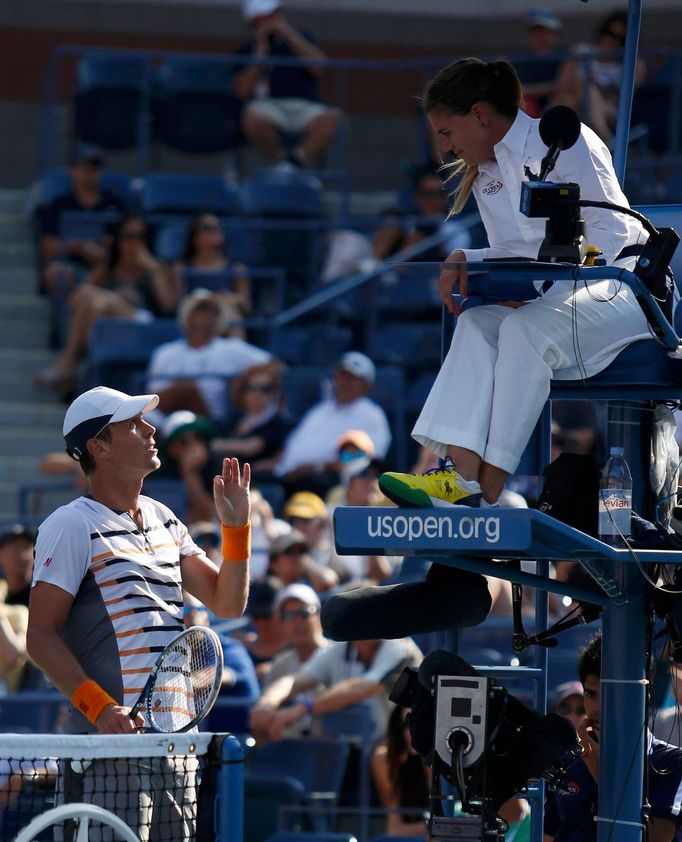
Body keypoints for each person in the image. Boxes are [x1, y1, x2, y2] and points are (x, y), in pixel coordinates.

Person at [378, 57, 651, 511]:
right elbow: (519, 252)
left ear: (481, 115)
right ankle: (458, 475)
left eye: (447, 133)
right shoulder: (485, 175)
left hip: (625, 294)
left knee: (525, 328)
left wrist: (557, 292)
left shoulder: (566, 141)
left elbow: (613, 234)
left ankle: (487, 490)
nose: (445, 150)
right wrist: (468, 256)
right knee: (478, 321)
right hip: (562, 307)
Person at [25, 386, 251, 837]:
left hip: (176, 741)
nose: (150, 430)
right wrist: (101, 709)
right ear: (98, 447)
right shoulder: (72, 524)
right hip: (107, 747)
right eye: (133, 424)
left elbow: (227, 601)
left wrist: (236, 528)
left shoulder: (166, 518)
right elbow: (40, 638)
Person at [544, 633, 682, 842]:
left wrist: (599, 771)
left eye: (613, 693)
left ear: (645, 695)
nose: (599, 707)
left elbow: (655, 838)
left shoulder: (671, 762)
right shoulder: (566, 761)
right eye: (591, 694)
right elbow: (548, 837)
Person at [37, 214, 178, 393]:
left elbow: (169, 304)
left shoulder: (156, 267)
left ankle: (68, 365)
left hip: (142, 327)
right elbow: (76, 299)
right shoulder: (110, 266)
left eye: (139, 237)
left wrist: (151, 268)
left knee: (99, 299)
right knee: (95, 304)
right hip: (109, 329)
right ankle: (77, 370)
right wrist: (106, 300)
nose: (133, 243)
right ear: (118, 239)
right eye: (128, 236)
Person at [232, 0, 340, 168]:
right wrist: (261, 54)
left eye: (274, 14)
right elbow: (241, 91)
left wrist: (289, 35)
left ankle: (295, 161)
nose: (270, 21)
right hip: (267, 107)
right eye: (264, 17)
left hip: (306, 106)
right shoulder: (245, 51)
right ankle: (280, 161)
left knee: (334, 120)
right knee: (251, 119)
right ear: (252, 22)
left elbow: (319, 67)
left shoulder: (301, 39)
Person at [146, 287, 272, 423]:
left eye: (213, 311)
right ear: (188, 314)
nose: (208, 315)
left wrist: (244, 377)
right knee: (151, 413)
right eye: (201, 309)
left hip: (211, 419)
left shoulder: (231, 348)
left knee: (188, 389)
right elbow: (154, 397)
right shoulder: (164, 352)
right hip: (166, 419)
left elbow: (273, 364)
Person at [274, 351, 392, 496]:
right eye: (342, 375)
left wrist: (317, 466)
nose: (345, 382)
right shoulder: (321, 410)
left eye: (352, 378)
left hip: (328, 481)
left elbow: (367, 460)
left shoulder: (372, 415)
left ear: (366, 385)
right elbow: (293, 445)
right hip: (287, 476)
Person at [267, 636, 423, 743]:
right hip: (348, 750)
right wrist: (266, 704)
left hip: (402, 745)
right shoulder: (339, 648)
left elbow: (360, 688)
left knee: (380, 760)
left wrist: (303, 708)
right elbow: (294, 680)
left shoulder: (400, 647)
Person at [38, 148, 128, 297]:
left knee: (117, 274)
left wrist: (109, 249)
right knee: (55, 272)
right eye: (86, 167)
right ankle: (66, 315)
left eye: (95, 167)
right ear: (72, 170)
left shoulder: (115, 203)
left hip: (108, 263)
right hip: (69, 263)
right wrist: (80, 247)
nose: (91, 172)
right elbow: (47, 246)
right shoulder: (59, 204)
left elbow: (131, 236)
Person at [551, 10, 647, 142]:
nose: (610, 40)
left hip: (609, 107)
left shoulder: (629, 62)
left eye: (619, 38)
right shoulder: (582, 51)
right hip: (574, 99)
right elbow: (562, 83)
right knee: (572, 95)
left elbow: (631, 93)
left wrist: (597, 85)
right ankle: (606, 139)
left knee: (584, 90)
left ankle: (600, 137)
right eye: (608, 33)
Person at [249, 582, 329, 740]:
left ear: (319, 616)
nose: (298, 622)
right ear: (282, 623)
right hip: (288, 751)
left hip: (330, 750)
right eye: (290, 615)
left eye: (304, 613)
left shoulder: (337, 654)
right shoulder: (280, 664)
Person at [211, 361, 293, 479]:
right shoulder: (235, 418)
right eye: (251, 388)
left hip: (256, 483)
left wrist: (217, 445)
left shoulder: (278, 422)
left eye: (265, 389)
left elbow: (251, 447)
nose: (257, 394)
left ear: (275, 393)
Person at [171, 212, 251, 315]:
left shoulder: (237, 268)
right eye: (208, 227)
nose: (216, 230)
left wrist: (230, 299)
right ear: (195, 237)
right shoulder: (182, 267)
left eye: (219, 226)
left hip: (226, 317)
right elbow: (178, 304)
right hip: (195, 317)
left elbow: (247, 306)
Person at [371, 704, 431, 837]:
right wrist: (435, 825)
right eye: (404, 726)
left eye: (416, 723)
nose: (408, 733)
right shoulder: (407, 769)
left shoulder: (461, 765)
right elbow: (394, 830)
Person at [155, 410, 219, 524]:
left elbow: (212, 516)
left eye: (198, 437)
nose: (194, 445)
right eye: (183, 441)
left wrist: (190, 473)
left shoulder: (217, 468)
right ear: (170, 448)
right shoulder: (158, 474)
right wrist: (188, 472)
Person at [515, 8, 564, 118]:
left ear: (557, 35)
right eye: (536, 31)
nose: (541, 36)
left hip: (559, 112)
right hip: (527, 112)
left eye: (546, 32)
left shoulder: (566, 59)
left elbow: (565, 86)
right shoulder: (519, 61)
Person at [267, 529, 339, 593]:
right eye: (289, 552)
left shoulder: (308, 585)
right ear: (274, 562)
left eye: (301, 551)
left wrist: (307, 562)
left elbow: (328, 581)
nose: (296, 557)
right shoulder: (266, 590)